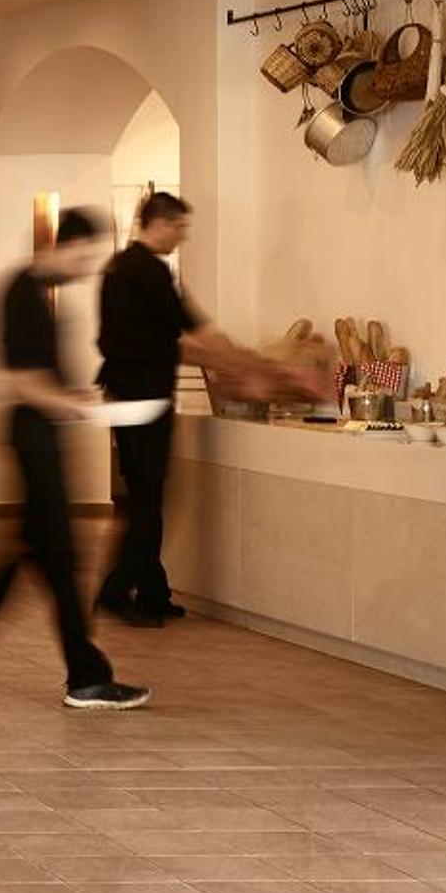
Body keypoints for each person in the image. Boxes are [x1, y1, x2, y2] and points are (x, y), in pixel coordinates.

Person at [0, 208, 150, 711]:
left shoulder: (38, 295)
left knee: (36, 558)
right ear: (68, 245)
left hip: (42, 439)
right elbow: (23, 381)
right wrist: (77, 406)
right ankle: (86, 677)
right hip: (33, 440)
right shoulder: (22, 294)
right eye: (87, 257)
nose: (87, 268)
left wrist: (74, 399)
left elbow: (36, 377)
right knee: (60, 558)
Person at [94, 191, 283, 627]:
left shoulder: (119, 268)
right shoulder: (150, 271)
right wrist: (247, 365)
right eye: (179, 227)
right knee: (148, 502)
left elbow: (170, 337)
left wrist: (235, 360)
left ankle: (152, 592)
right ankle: (118, 594)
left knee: (145, 497)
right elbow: (192, 328)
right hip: (145, 399)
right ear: (160, 223)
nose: (182, 236)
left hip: (123, 396)